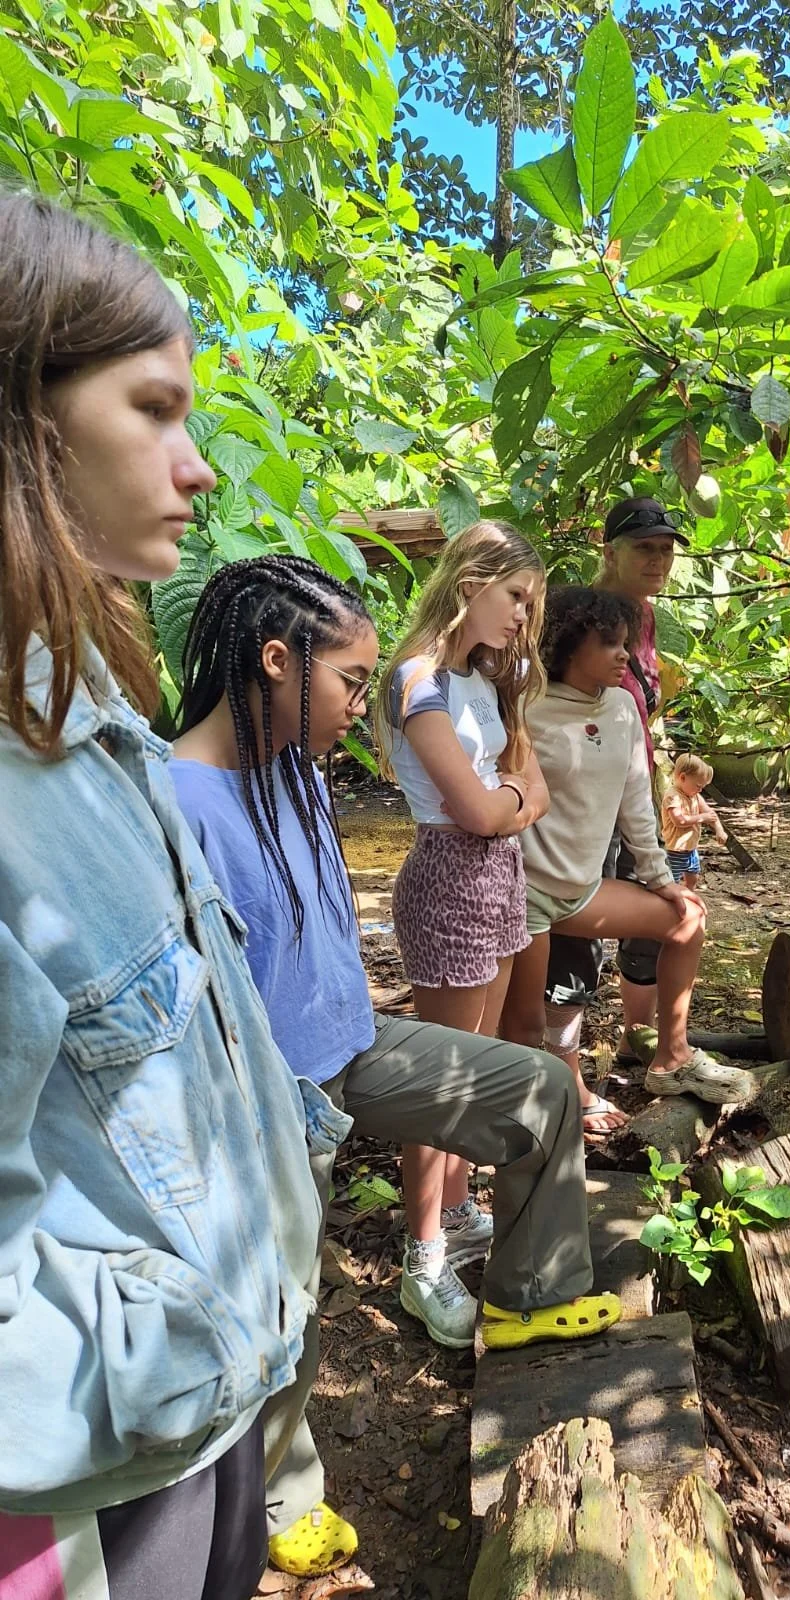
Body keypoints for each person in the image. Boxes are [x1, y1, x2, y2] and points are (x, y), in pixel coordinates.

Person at [0, 193, 341, 1600]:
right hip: (94, 1482)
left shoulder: (100, 725)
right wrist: (160, 1355)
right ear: (24, 418)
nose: (197, 468)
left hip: (208, 1411)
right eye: (156, 408)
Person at [172, 556, 619, 1578]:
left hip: (356, 1042)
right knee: (285, 1299)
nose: (356, 706)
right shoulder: (179, 798)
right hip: (273, 1098)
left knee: (539, 1086)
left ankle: (531, 1292)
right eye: (346, 680)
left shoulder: (285, 762)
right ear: (276, 662)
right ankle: (283, 1497)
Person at [370, 521, 549, 1336]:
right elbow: (481, 808)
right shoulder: (417, 679)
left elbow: (522, 794)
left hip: (496, 877)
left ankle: (456, 1205)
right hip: (448, 877)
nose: (522, 617)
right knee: (440, 1085)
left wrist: (506, 809)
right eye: (515, 596)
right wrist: (508, 807)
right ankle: (423, 1259)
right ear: (472, 579)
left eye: (531, 604)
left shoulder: (481, 682)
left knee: (476, 1068)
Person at [500, 587, 755, 1121]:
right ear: (568, 647)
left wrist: (660, 877)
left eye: (626, 644)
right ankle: (542, 1117)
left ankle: (671, 1056)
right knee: (526, 1027)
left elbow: (636, 799)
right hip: (525, 895)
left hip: (584, 890)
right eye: (608, 644)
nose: (624, 656)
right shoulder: (525, 706)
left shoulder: (621, 707)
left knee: (688, 919)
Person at [541, 498, 687, 1105]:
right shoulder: (571, 618)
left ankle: (644, 1042)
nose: (658, 559)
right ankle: (560, 1081)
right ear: (611, 553)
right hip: (565, 832)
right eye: (643, 548)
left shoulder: (640, 621)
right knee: (570, 957)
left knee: (656, 925)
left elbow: (634, 718)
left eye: (665, 548)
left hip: (623, 800)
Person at [661, 754, 728, 888]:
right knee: (672, 881)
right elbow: (679, 821)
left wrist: (719, 830)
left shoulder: (695, 796)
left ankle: (688, 896)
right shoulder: (672, 797)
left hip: (691, 849)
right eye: (698, 785)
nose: (700, 790)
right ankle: (672, 903)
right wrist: (701, 818)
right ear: (683, 777)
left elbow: (710, 813)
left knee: (693, 877)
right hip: (674, 850)